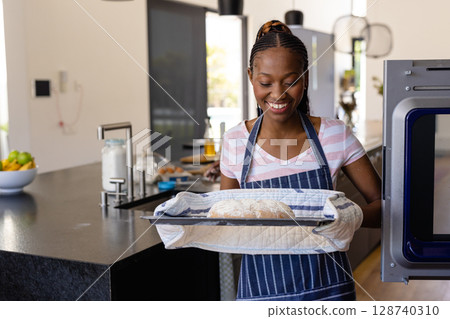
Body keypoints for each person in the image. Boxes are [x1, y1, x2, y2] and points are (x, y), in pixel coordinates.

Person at [219, 20, 381, 301]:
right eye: (265, 83)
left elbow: (386, 209)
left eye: (290, 81)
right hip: (260, 296)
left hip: (329, 294)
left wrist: (350, 218)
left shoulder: (334, 135)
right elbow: (224, 219)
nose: (278, 94)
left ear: (305, 78)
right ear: (250, 77)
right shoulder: (234, 141)